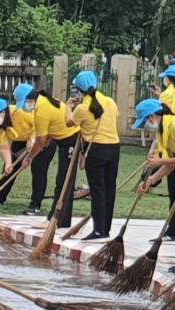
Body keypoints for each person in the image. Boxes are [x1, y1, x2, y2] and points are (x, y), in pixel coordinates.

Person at [134, 98, 175, 249]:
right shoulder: (163, 131)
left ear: (152, 116)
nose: (145, 127)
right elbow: (170, 165)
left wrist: (161, 162)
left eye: (145, 122)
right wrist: (150, 181)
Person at [71, 71, 120, 240]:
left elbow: (69, 123)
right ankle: (105, 228)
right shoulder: (110, 102)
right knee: (109, 189)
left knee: (97, 190)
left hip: (96, 150)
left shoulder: (82, 108)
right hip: (114, 148)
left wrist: (69, 107)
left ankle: (98, 230)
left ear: (79, 90)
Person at [21, 87, 81, 223]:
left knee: (64, 180)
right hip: (62, 140)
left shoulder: (41, 109)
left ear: (31, 100)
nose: (26, 106)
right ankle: (57, 217)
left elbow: (40, 141)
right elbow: (48, 131)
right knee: (63, 179)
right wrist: (46, 140)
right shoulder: (47, 102)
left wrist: (29, 157)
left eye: (27, 102)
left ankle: (59, 218)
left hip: (72, 140)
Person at [0, 86, 36, 207]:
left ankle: (35, 203)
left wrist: (32, 139)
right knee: (8, 169)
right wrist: (8, 163)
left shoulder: (21, 112)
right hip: (19, 141)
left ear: (5, 111)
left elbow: (38, 124)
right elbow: (4, 147)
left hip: (39, 138)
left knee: (38, 170)